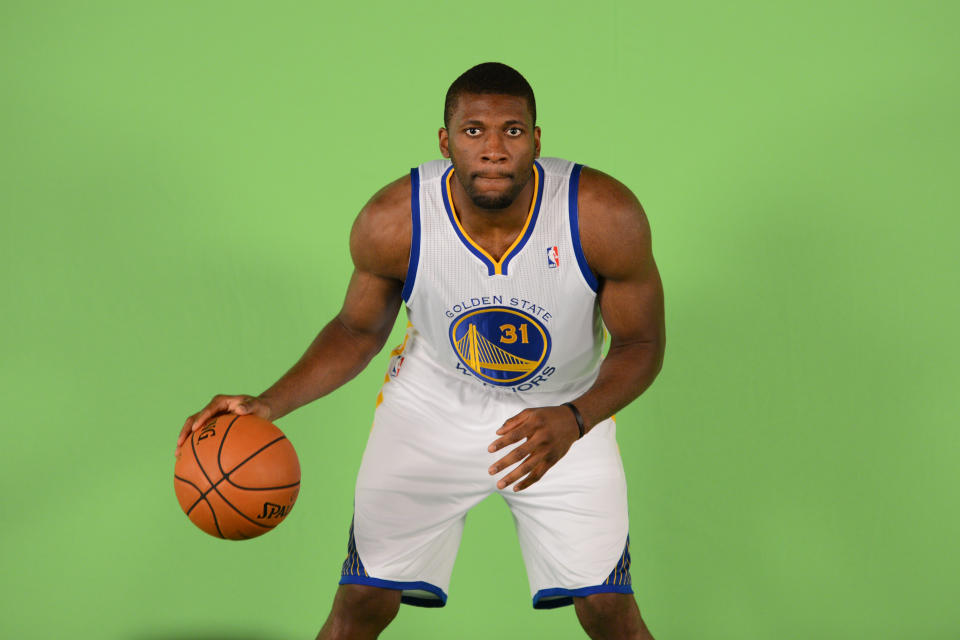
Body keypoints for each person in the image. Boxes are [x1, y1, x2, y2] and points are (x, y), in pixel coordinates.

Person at [176, 62, 665, 640]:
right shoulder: (394, 221)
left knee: (611, 614)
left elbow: (641, 343)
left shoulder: (602, 214)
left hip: (564, 415)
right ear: (446, 140)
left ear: (536, 139)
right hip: (430, 411)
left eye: (512, 131)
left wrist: (577, 418)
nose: (493, 149)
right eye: (473, 131)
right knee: (359, 603)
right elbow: (357, 331)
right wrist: (268, 404)